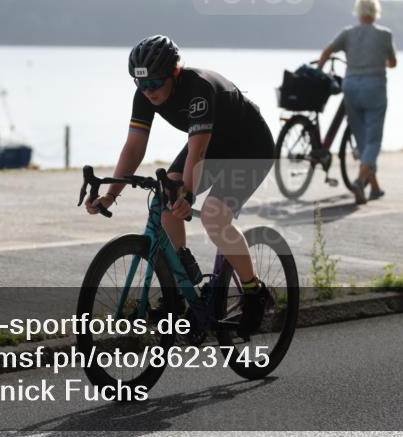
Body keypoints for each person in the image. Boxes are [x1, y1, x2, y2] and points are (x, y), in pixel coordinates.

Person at [85, 35, 275, 337]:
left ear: (174, 73)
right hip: (212, 146)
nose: (148, 92)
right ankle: (184, 277)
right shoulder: (145, 95)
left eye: (154, 84)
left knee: (214, 216)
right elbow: (134, 148)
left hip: (249, 148)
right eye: (140, 84)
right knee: (165, 201)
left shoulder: (198, 89)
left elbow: (197, 153)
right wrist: (110, 195)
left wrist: (186, 193)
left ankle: (254, 291)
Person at [318, 0, 397, 204]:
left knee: (362, 139)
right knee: (372, 140)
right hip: (375, 89)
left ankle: (375, 188)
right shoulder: (385, 35)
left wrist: (318, 71)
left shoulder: (347, 33)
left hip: (351, 87)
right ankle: (360, 182)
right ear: (376, 13)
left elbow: (327, 51)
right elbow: (393, 62)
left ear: (358, 12)